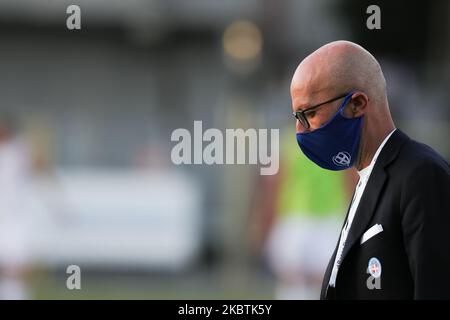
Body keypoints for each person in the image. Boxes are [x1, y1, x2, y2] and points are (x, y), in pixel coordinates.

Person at [289, 40, 450, 299]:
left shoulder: (421, 175)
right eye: (297, 118)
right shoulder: (367, 176)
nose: (301, 130)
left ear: (357, 104)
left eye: (309, 113)